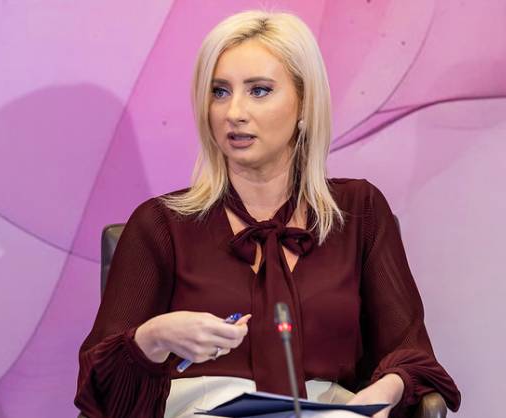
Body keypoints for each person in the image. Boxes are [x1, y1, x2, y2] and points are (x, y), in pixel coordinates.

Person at [75, 10, 460, 418]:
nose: (233, 112)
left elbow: (411, 353)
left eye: (259, 90)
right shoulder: (160, 225)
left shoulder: (359, 212)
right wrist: (153, 338)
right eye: (219, 92)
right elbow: (100, 391)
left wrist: (384, 391)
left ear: (305, 104)